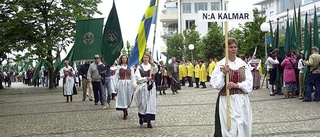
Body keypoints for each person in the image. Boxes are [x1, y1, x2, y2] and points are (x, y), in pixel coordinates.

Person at [210, 38, 253, 137]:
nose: (233, 49)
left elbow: (249, 83)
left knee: (244, 125)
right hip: (227, 100)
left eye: (235, 47)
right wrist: (223, 73)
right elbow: (215, 84)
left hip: (242, 100)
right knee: (230, 128)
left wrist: (238, 85)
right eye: (230, 47)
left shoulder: (242, 64)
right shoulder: (220, 64)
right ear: (225, 49)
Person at [135, 53, 158, 128]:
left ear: (149, 58)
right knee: (143, 103)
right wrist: (145, 79)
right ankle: (141, 116)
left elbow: (155, 71)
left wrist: (153, 65)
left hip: (151, 86)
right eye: (144, 57)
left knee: (150, 103)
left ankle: (149, 121)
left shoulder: (151, 66)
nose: (145, 59)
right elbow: (137, 77)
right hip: (143, 87)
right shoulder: (139, 67)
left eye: (147, 57)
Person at [114, 55, 137, 120]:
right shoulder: (118, 67)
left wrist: (134, 84)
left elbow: (133, 76)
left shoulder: (130, 66)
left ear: (127, 59)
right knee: (123, 97)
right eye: (123, 58)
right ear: (121, 59)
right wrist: (115, 85)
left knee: (128, 97)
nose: (124, 59)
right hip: (121, 83)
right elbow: (116, 76)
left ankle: (126, 107)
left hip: (129, 83)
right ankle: (124, 110)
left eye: (125, 58)